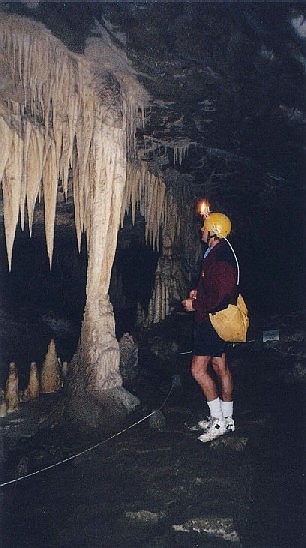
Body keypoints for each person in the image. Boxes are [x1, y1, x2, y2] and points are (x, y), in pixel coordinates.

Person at [182, 212, 238, 442]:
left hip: (212, 321)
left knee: (198, 370)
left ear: (213, 232)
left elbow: (220, 297)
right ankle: (227, 419)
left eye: (205, 229)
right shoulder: (215, 253)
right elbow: (211, 285)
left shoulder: (221, 259)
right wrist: (198, 289)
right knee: (220, 366)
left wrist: (195, 304)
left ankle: (217, 422)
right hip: (216, 319)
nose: (201, 231)